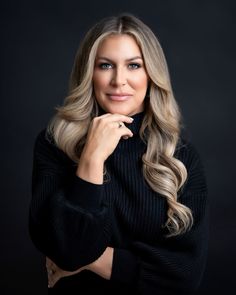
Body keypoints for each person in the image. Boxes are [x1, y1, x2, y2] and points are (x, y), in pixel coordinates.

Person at [29, 13, 208, 295]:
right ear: (89, 73)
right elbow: (67, 250)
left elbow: (183, 275)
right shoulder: (55, 145)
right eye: (105, 65)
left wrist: (90, 260)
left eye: (134, 65)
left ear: (151, 75)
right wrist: (91, 158)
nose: (118, 80)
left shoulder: (180, 156)